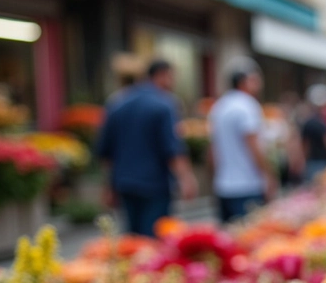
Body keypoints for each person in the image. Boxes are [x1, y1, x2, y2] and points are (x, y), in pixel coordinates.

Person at [97, 59, 196, 237]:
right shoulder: (164, 104)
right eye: (171, 77)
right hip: (154, 184)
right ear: (161, 75)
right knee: (155, 237)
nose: (172, 83)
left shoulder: (118, 103)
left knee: (133, 236)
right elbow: (172, 149)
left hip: (125, 182)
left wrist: (108, 186)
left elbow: (106, 151)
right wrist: (186, 179)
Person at [208, 59, 271, 223]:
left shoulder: (219, 106)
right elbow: (254, 145)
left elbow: (213, 148)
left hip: (223, 186)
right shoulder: (247, 105)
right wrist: (268, 176)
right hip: (247, 185)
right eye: (256, 79)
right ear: (245, 82)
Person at [301, 84, 326, 182]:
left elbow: (304, 144)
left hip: (312, 161)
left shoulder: (308, 122)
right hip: (320, 161)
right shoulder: (320, 123)